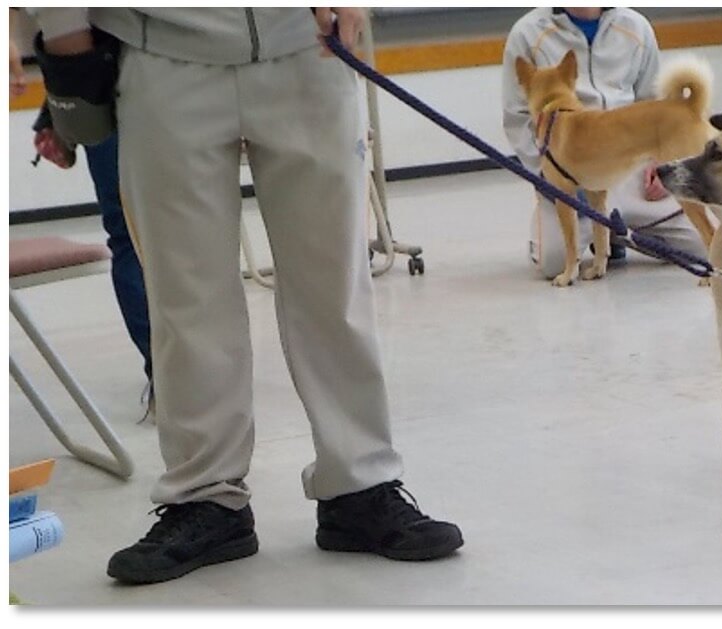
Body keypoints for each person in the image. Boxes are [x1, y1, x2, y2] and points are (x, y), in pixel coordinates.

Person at [32, 7, 463, 585]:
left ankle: (359, 485)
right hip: (160, 51)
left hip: (309, 46)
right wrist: (65, 40)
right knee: (185, 294)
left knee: (336, 281)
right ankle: (205, 497)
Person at [10, 9, 154, 414]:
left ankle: (172, 374)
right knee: (133, 234)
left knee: (134, 234)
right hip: (119, 73)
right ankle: (171, 373)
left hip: (112, 72)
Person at [502, 7, 709, 280]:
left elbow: (654, 102)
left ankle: (615, 236)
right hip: (570, 177)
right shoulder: (527, 33)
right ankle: (602, 233)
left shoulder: (636, 27)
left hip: (632, 168)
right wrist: (549, 173)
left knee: (697, 248)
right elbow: (516, 119)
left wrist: (663, 166)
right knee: (552, 263)